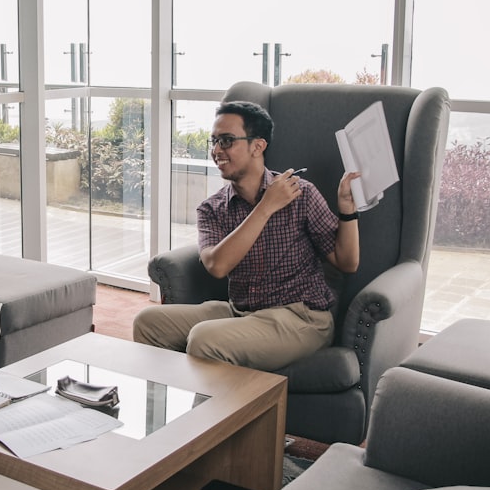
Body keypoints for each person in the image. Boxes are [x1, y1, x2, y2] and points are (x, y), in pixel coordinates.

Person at [133, 100, 361, 371]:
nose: (217, 151)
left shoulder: (301, 194)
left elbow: (347, 263)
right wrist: (266, 207)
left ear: (257, 146)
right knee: (147, 323)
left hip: (301, 320)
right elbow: (217, 265)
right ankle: (166, 403)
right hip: (240, 312)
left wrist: (347, 211)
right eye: (214, 141)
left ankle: (215, 413)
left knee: (205, 340)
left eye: (227, 141)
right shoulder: (212, 209)